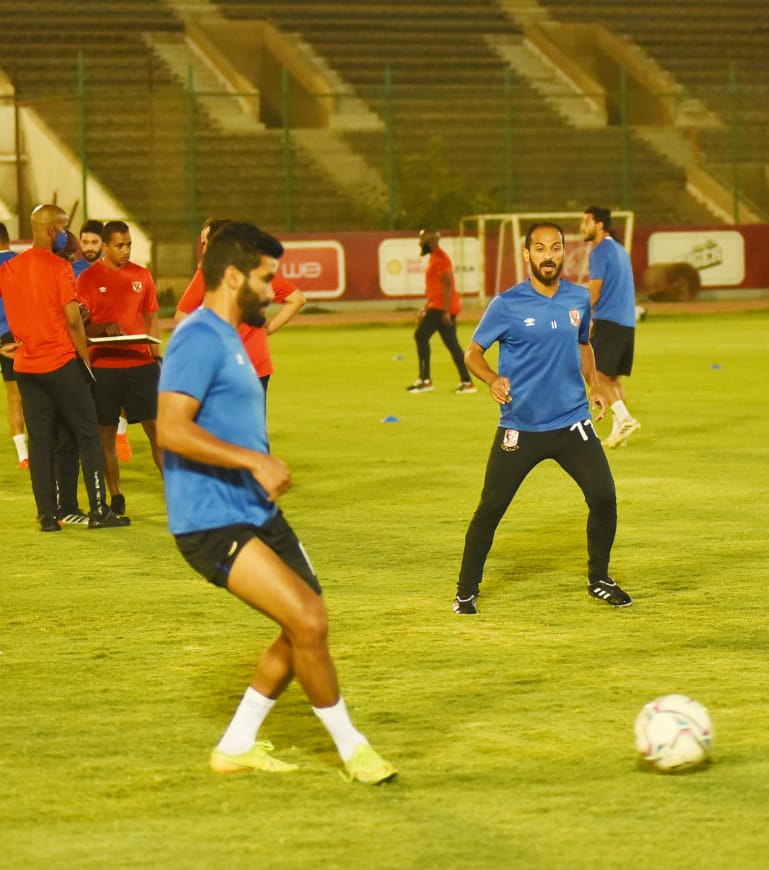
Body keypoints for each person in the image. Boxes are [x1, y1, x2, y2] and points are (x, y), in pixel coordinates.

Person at [156, 221, 395, 783]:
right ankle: (354, 750)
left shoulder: (232, 335)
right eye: (265, 278)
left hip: (255, 510)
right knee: (306, 619)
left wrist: (255, 466)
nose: (272, 290)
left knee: (306, 623)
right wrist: (254, 460)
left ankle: (237, 743)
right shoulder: (197, 336)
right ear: (232, 276)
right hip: (211, 518)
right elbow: (170, 428)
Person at [452, 222, 630, 615]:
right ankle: (466, 591)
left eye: (555, 247)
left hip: (572, 422)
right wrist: (492, 379)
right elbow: (472, 354)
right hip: (521, 427)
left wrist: (595, 385)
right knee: (491, 509)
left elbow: (583, 344)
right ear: (526, 254)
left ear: (564, 252)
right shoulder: (506, 304)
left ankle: (599, 579)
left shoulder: (578, 299)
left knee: (603, 496)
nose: (548, 255)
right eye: (540, 248)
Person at [0, 204, 130, 530]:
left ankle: (48, 516)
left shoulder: (10, 268)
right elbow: (73, 321)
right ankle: (99, 511)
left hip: (27, 367)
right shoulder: (59, 268)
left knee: (40, 442)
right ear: (53, 231)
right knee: (88, 434)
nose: (68, 234)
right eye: (65, 227)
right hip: (60, 362)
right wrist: (85, 362)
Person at [76, 219, 163, 517]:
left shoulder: (142, 275)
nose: (126, 250)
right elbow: (80, 326)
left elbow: (151, 318)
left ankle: (177, 495)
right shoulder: (87, 279)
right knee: (106, 433)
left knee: (158, 431)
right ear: (104, 246)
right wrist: (102, 326)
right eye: (120, 245)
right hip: (104, 367)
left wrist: (156, 356)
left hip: (141, 364)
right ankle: (116, 496)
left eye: (129, 245)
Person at [174, 217, 306, 397]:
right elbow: (297, 299)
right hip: (257, 364)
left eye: (206, 244)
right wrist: (267, 329)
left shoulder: (208, 273)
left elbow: (181, 316)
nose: (204, 250)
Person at [580, 206, 641, 448]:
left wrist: (580, 316)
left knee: (594, 373)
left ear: (599, 225)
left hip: (609, 320)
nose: (582, 227)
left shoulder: (599, 251)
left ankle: (625, 419)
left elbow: (595, 292)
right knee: (613, 379)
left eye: (586, 222)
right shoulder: (619, 250)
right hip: (626, 323)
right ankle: (620, 434)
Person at [406, 229, 474, 394]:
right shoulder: (435, 257)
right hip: (439, 306)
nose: (420, 244)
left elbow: (448, 284)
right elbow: (436, 288)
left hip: (442, 307)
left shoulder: (440, 258)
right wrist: (426, 308)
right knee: (452, 344)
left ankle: (425, 380)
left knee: (421, 336)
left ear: (429, 242)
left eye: (422, 241)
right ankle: (467, 382)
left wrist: (445, 311)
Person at [0, 222, 28, 469]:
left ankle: (23, 455)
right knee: (32, 392)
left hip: (2, 337)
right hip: (22, 333)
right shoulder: (23, 263)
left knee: (13, 395)